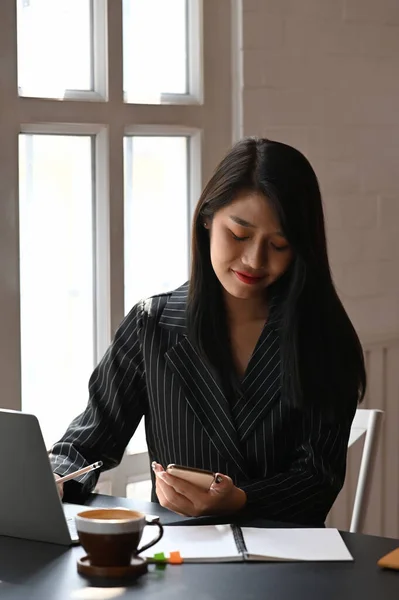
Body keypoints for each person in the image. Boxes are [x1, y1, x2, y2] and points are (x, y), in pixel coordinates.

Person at [50, 137, 366, 525]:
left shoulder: (322, 339)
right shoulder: (152, 324)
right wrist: (55, 478)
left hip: (285, 563)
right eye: (239, 235)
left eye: (279, 244)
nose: (255, 259)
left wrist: (241, 501)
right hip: (176, 557)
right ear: (206, 219)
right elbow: (88, 442)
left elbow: (318, 480)